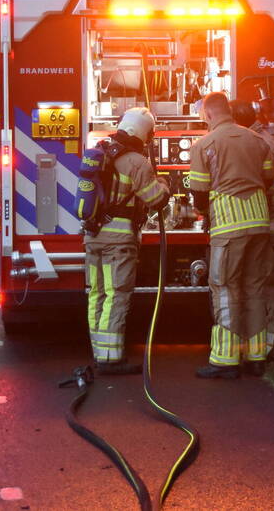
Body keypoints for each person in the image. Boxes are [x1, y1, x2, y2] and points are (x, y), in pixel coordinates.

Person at [190, 92, 274, 379]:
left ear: (208, 115)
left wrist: (206, 213)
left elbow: (199, 193)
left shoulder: (203, 145)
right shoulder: (258, 141)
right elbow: (269, 178)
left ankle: (225, 359)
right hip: (260, 222)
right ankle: (256, 356)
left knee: (224, 287)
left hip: (229, 227)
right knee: (255, 287)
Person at [83, 108, 170, 375]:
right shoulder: (136, 161)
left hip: (93, 237)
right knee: (116, 294)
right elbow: (155, 199)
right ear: (143, 132)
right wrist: (164, 185)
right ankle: (110, 358)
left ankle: (100, 351)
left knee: (96, 294)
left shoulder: (101, 150)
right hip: (118, 243)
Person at [230, 99, 274, 361]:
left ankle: (268, 347)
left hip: (268, 228)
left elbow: (255, 186)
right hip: (266, 226)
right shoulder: (259, 139)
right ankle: (264, 346)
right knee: (264, 286)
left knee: (267, 286)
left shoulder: (257, 143)